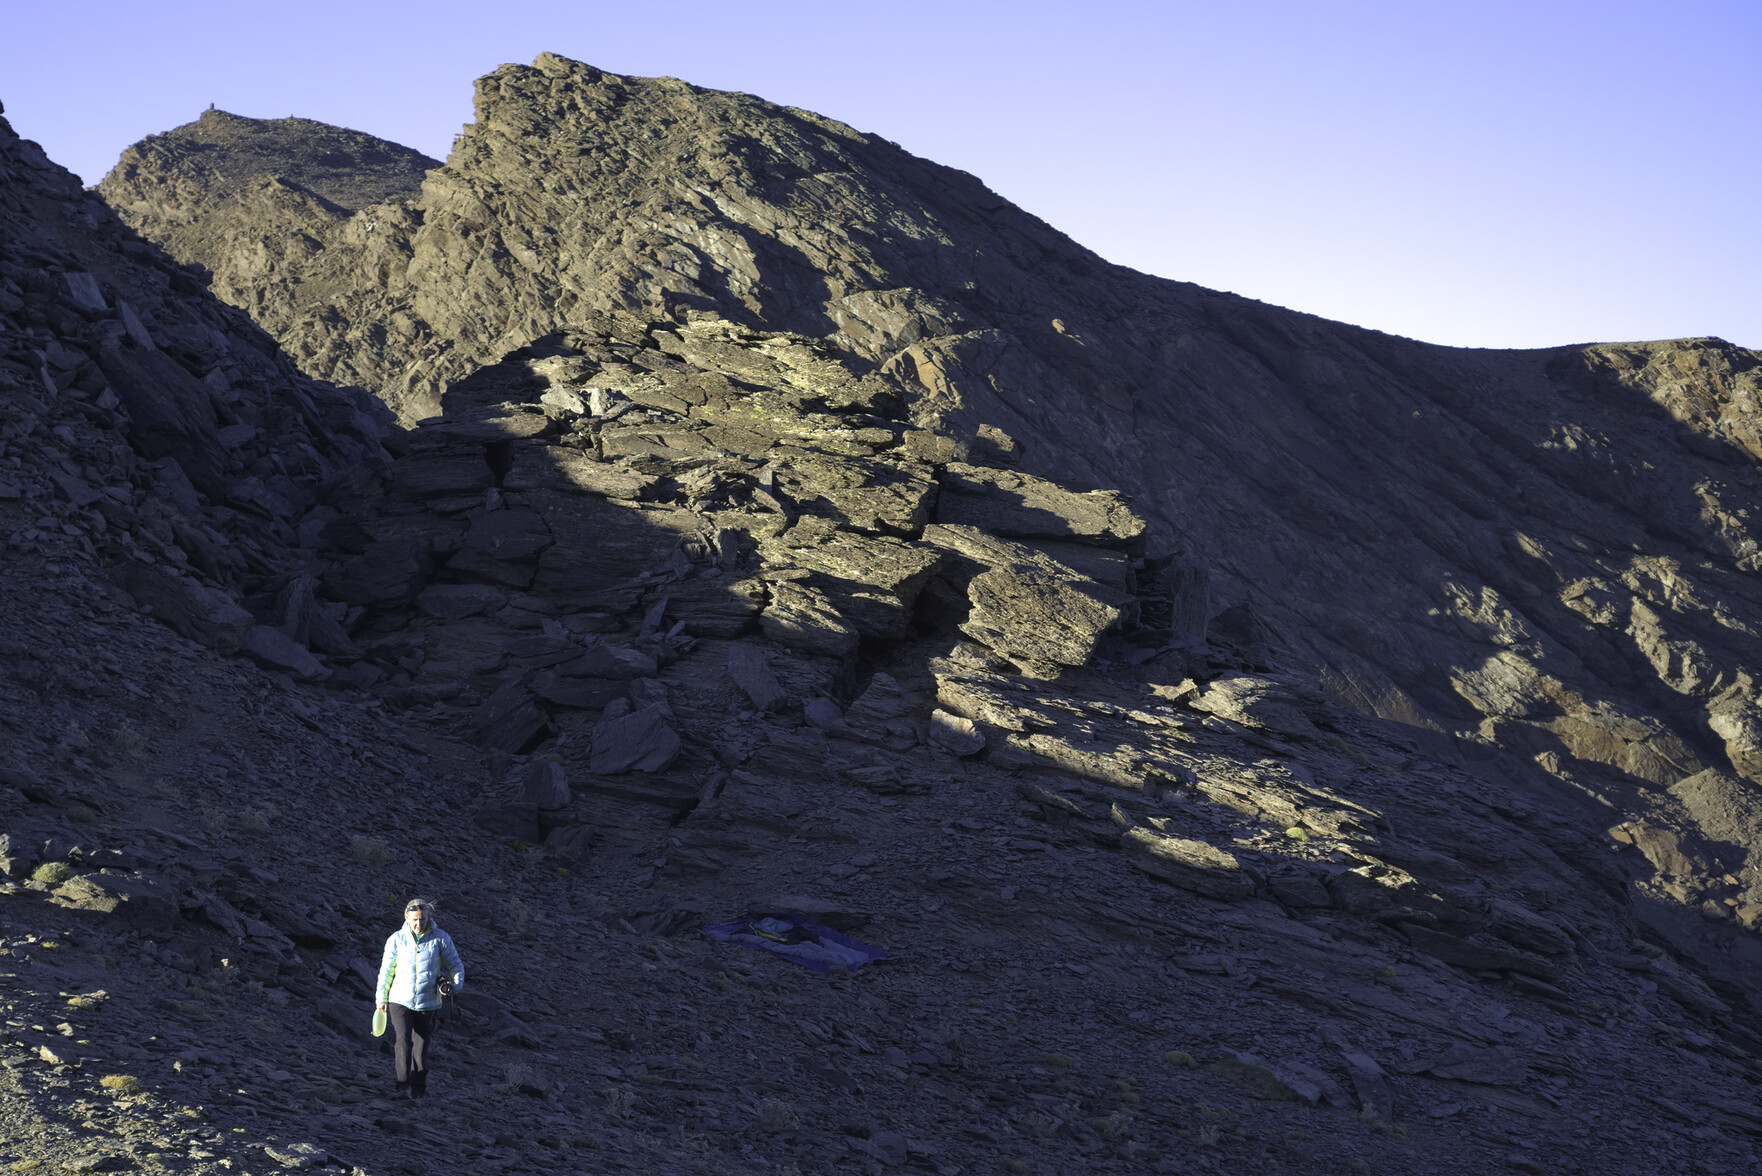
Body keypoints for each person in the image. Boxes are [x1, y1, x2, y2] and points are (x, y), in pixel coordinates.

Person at [375, 897, 465, 1099]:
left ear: (428, 918)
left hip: (428, 1003)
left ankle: (418, 1088)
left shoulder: (440, 938)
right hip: (400, 1000)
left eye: (422, 919)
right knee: (403, 1041)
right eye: (414, 919)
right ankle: (402, 1085)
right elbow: (386, 971)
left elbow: (456, 965)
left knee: (420, 1047)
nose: (418, 924)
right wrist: (381, 997)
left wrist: (455, 986)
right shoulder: (396, 939)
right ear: (406, 917)